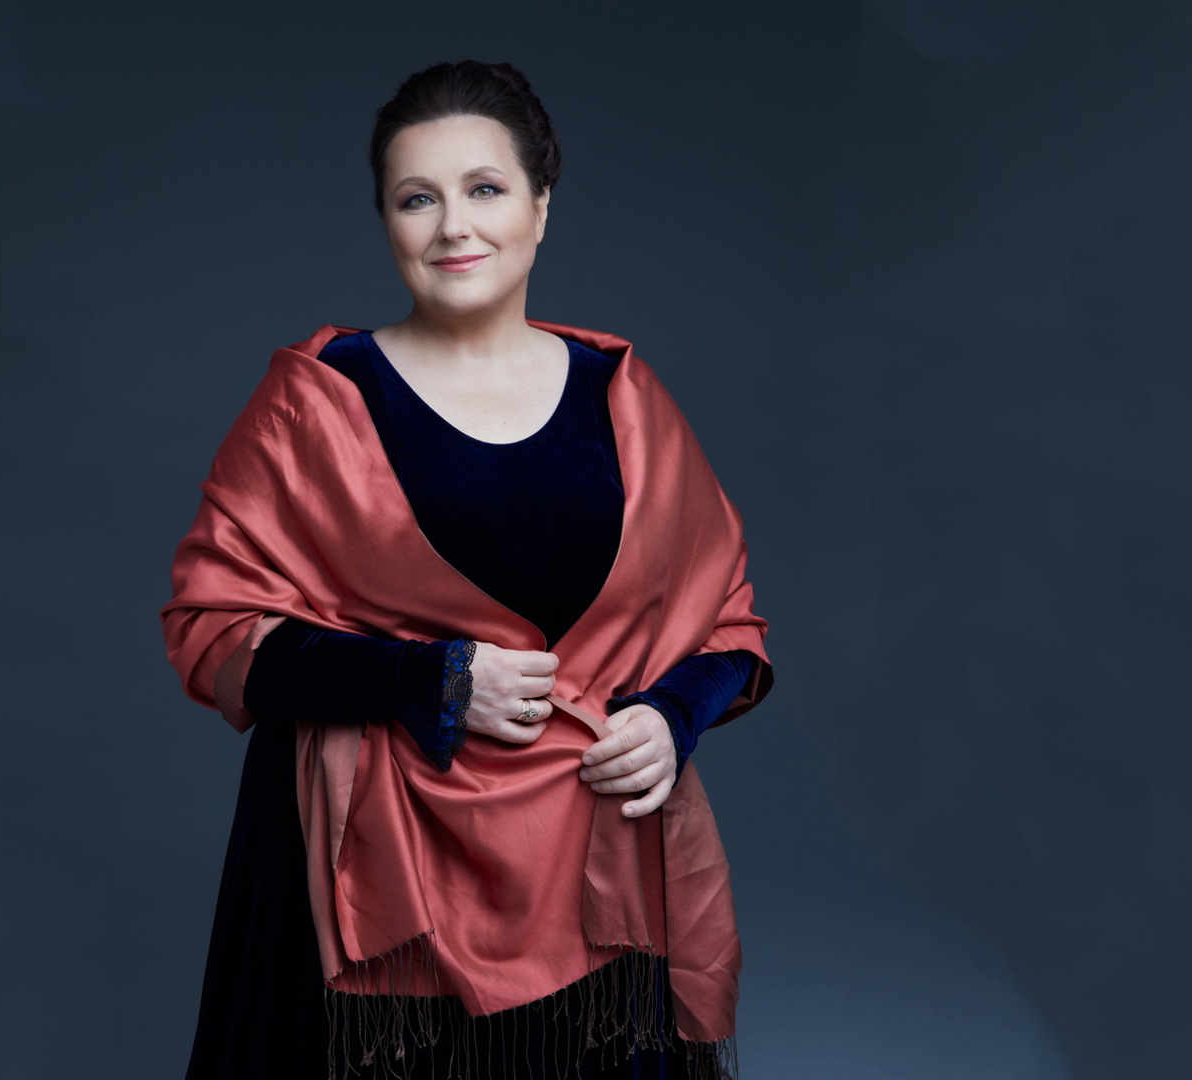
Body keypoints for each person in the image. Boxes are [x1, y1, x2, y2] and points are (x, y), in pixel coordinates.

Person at [160, 60, 774, 1080]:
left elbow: (729, 625)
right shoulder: (316, 398)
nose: (453, 226)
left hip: (595, 882)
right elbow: (210, 631)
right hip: (370, 892)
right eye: (418, 198)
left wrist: (671, 717)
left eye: (484, 189)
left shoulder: (621, 394)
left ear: (540, 206)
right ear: (386, 221)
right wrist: (429, 680)